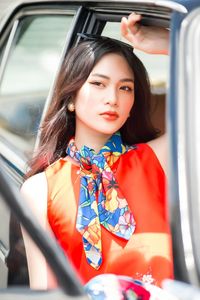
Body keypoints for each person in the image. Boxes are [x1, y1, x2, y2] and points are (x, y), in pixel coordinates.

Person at [21, 13, 172, 290]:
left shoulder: (156, 159)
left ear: (132, 104)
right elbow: (46, 292)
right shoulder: (40, 189)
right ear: (71, 98)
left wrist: (171, 44)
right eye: (98, 84)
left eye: (125, 88)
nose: (112, 99)